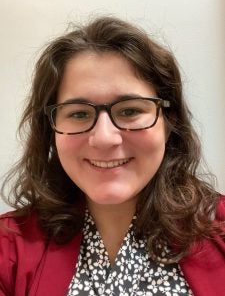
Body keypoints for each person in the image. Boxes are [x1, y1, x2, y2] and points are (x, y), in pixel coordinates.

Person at [0, 16, 224, 296]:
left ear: (169, 122)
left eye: (130, 110)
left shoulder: (220, 230)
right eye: (79, 114)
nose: (104, 138)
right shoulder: (8, 249)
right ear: (51, 131)